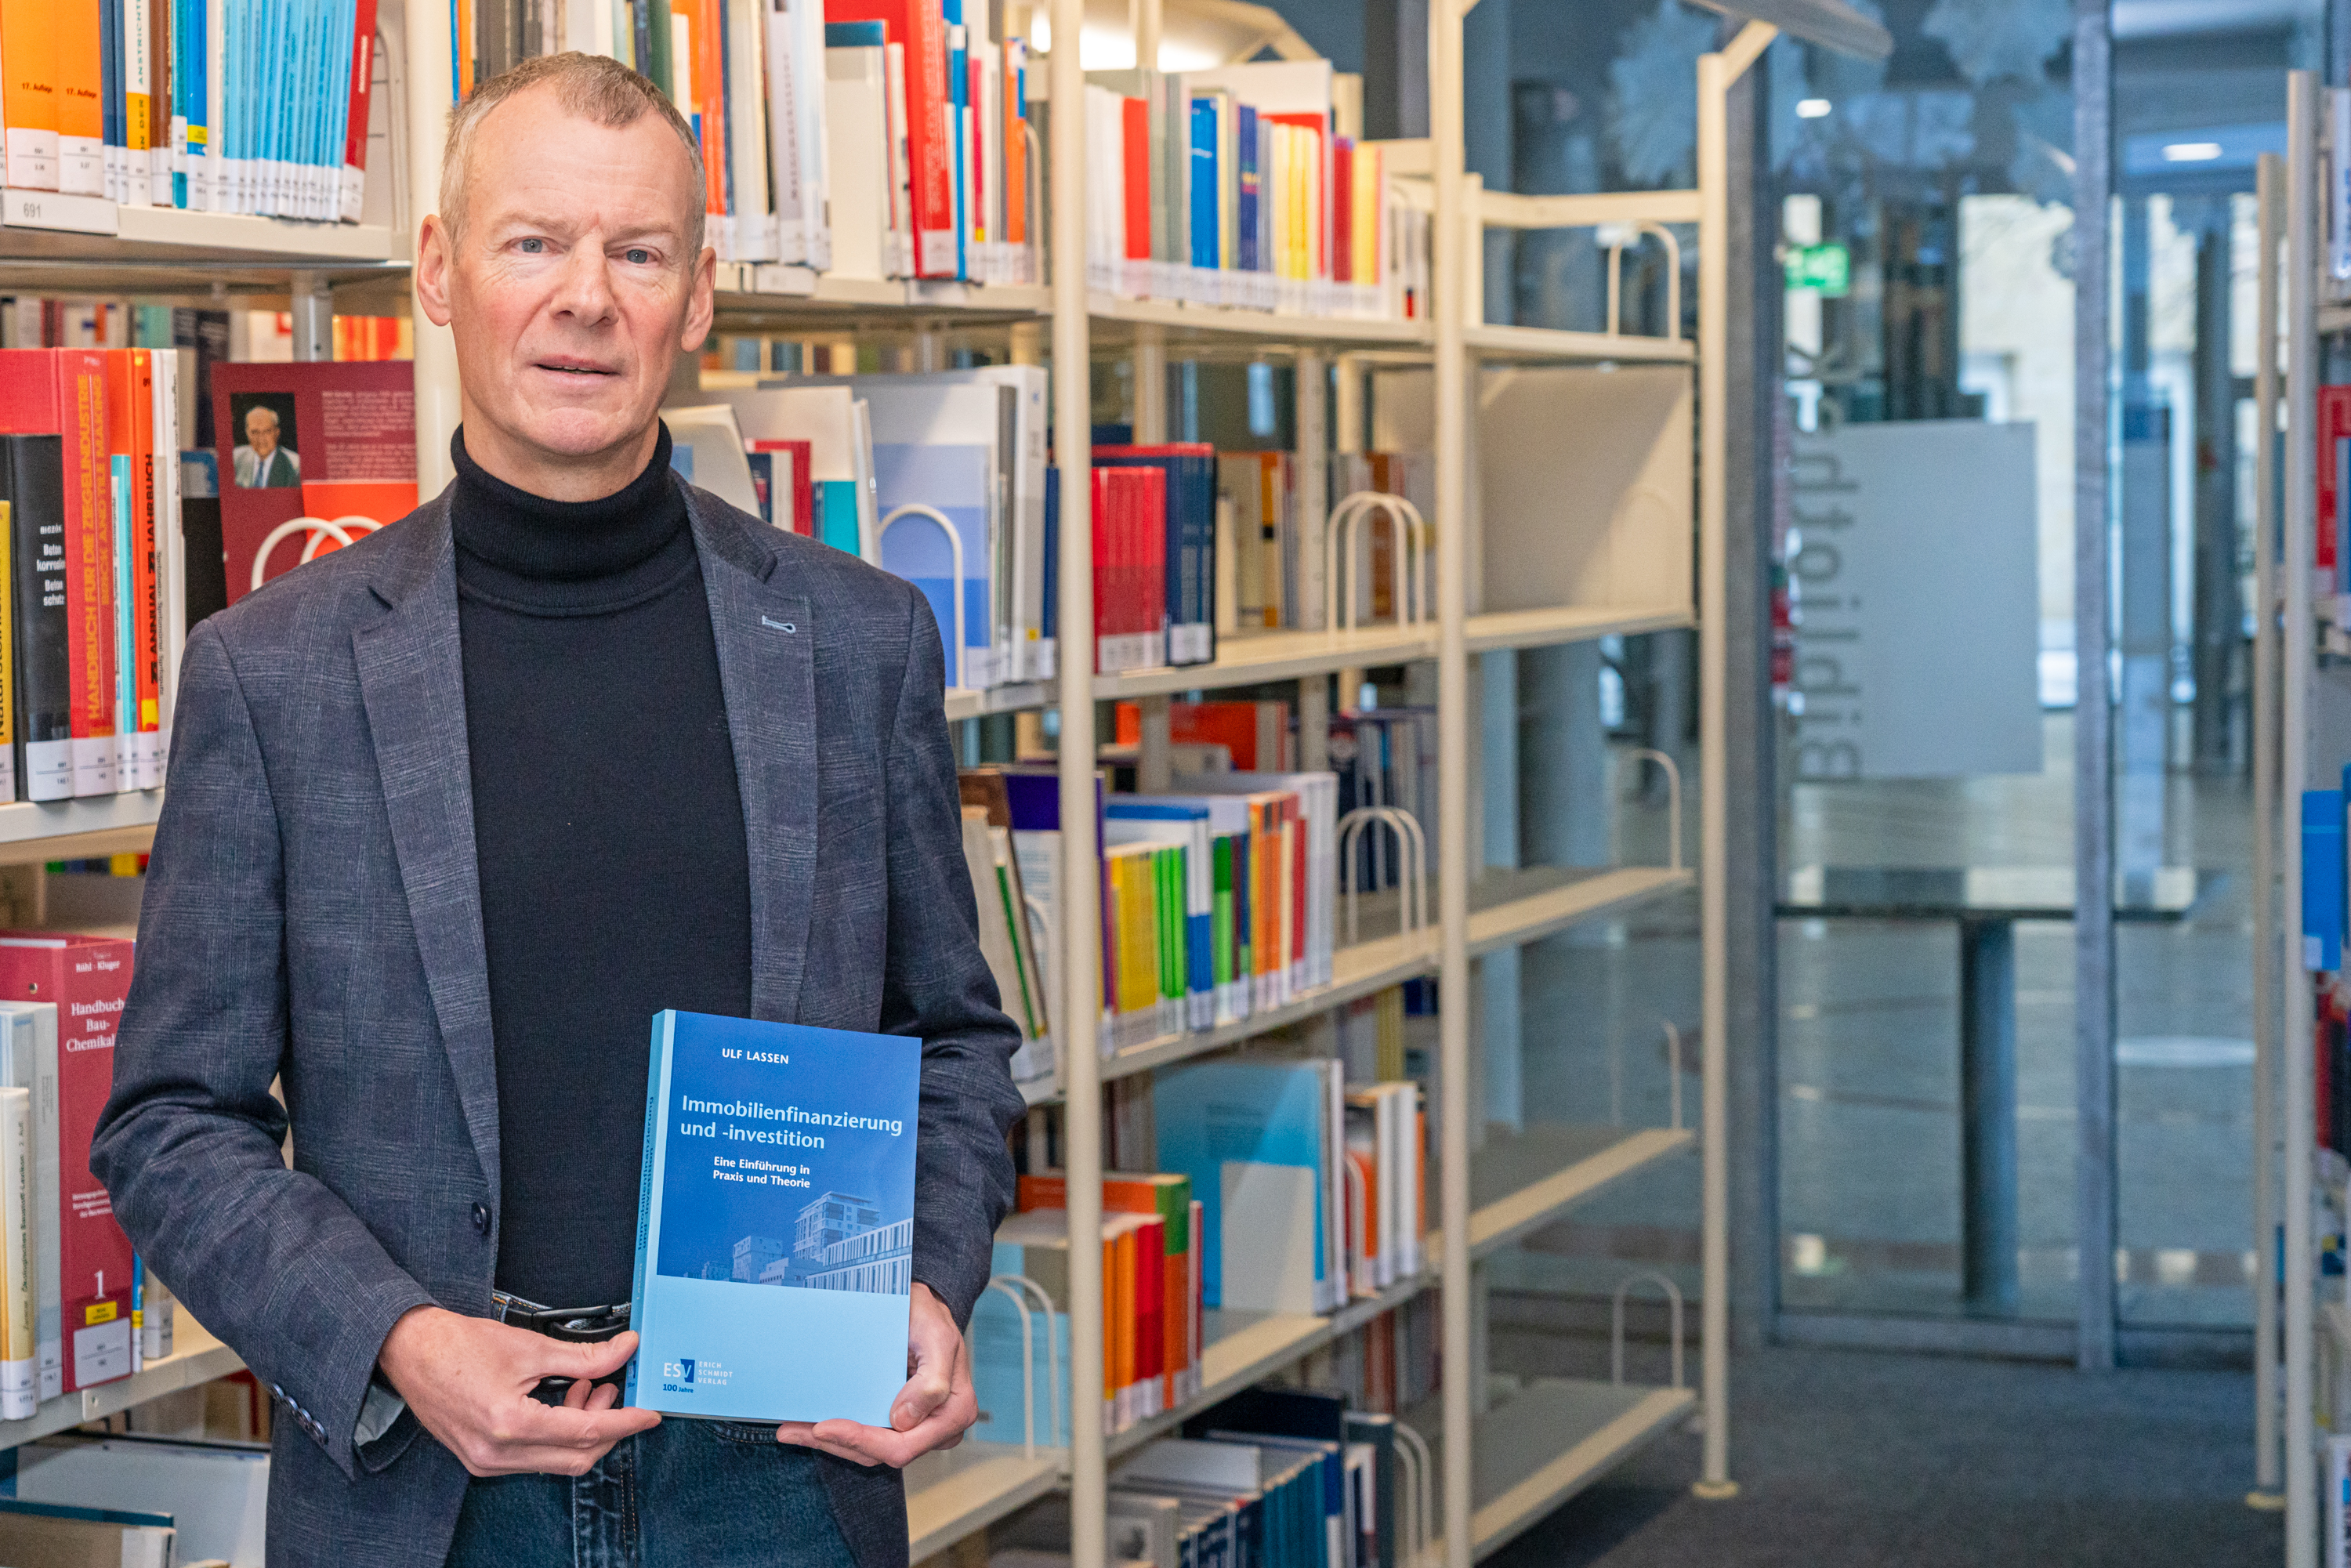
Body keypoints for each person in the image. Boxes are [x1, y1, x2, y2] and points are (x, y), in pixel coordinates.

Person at [89, 51, 1027, 1568]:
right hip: (434, 1481)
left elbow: (955, 1041)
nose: (586, 298)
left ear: (697, 295)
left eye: (637, 252)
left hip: (780, 1467)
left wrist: (922, 1278)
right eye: (533, 242)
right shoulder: (275, 672)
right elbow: (170, 1122)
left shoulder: (858, 644)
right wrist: (396, 1341)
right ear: (438, 273)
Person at [233, 403, 301, 487]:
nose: (261, 438)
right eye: (255, 432)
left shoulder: (295, 467)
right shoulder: (235, 459)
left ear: (277, 433)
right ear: (247, 433)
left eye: (267, 431)